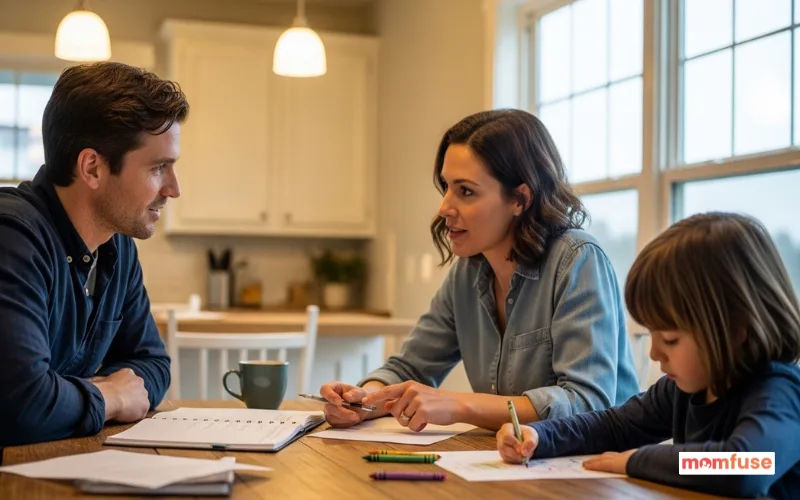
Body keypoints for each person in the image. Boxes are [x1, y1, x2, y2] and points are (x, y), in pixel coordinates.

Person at [320, 109, 639, 432]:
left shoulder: (577, 260)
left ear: (520, 198)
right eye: (446, 186)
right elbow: (411, 367)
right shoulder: (468, 272)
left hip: (602, 468)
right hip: (519, 463)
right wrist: (363, 400)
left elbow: (587, 403)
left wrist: (458, 404)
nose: (444, 207)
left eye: (466, 191)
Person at [496, 212, 800, 499]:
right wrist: (538, 435)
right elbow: (614, 426)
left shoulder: (779, 393)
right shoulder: (683, 389)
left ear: (736, 330)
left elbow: (747, 466)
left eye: (670, 339)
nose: (655, 354)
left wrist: (637, 461)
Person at [0, 62, 189, 446]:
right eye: (158, 168)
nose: (173, 188)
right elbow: (22, 405)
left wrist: (70, 396)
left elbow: (153, 366)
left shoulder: (117, 245)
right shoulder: (13, 237)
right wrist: (111, 395)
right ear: (92, 168)